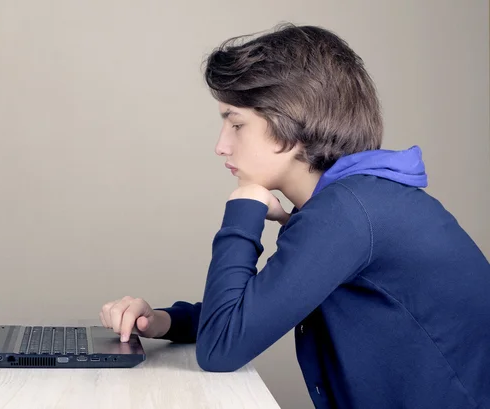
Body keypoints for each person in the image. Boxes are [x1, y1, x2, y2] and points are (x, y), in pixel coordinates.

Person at [99, 23, 490, 409]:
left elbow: (222, 347)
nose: (221, 146)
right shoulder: (352, 203)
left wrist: (244, 206)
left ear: (290, 124)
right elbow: (260, 308)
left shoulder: (348, 212)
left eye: (236, 124)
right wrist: (164, 321)